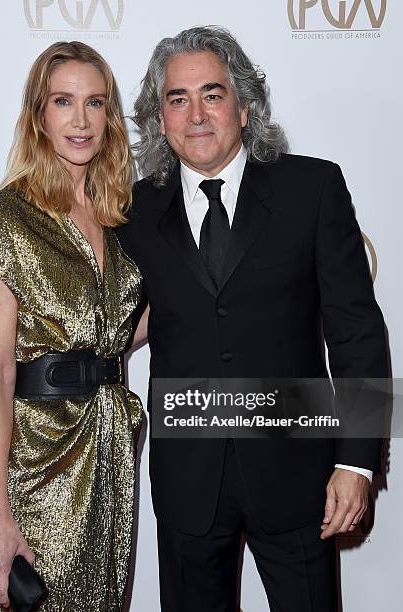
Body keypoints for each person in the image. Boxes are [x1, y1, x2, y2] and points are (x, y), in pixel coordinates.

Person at [116, 26, 388, 611]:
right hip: (188, 479)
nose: (196, 115)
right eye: (177, 99)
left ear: (244, 104)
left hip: (298, 475)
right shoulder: (134, 211)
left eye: (212, 94)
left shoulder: (311, 189)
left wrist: (357, 459)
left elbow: (357, 331)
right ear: (159, 117)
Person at [0, 41, 144, 611]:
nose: (80, 119)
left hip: (111, 450)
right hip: (42, 460)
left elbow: (113, 334)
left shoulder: (118, 216)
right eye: (63, 101)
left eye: (95, 104)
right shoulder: (7, 219)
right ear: (38, 113)